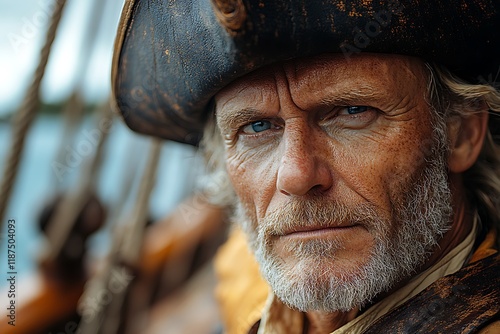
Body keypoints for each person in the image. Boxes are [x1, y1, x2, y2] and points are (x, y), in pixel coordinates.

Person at [112, 1, 500, 333]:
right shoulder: (240, 273)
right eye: (257, 127)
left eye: (353, 112)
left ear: (461, 133)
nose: (296, 175)